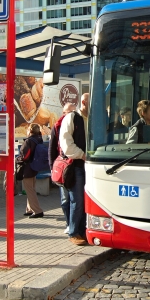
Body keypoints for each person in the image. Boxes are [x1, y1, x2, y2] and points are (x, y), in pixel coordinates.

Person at [59, 93, 89, 246]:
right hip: (76, 165)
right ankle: (73, 232)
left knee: (85, 201)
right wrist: (82, 155)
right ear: (84, 102)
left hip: (88, 166)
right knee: (76, 200)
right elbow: (66, 144)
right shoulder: (72, 118)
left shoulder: (91, 118)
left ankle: (83, 230)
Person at [48, 102, 76, 235]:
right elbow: (51, 149)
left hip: (76, 166)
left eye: (71, 112)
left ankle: (75, 225)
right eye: (66, 112)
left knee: (76, 199)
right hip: (63, 168)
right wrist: (52, 168)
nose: (68, 115)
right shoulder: (57, 126)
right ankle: (68, 223)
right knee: (65, 199)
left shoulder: (78, 124)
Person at [16, 123, 44, 219]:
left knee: (29, 190)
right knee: (31, 188)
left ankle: (37, 211)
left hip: (27, 168)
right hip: (34, 167)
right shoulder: (39, 139)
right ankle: (29, 209)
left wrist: (17, 159)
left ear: (30, 130)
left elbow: (24, 156)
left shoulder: (28, 141)